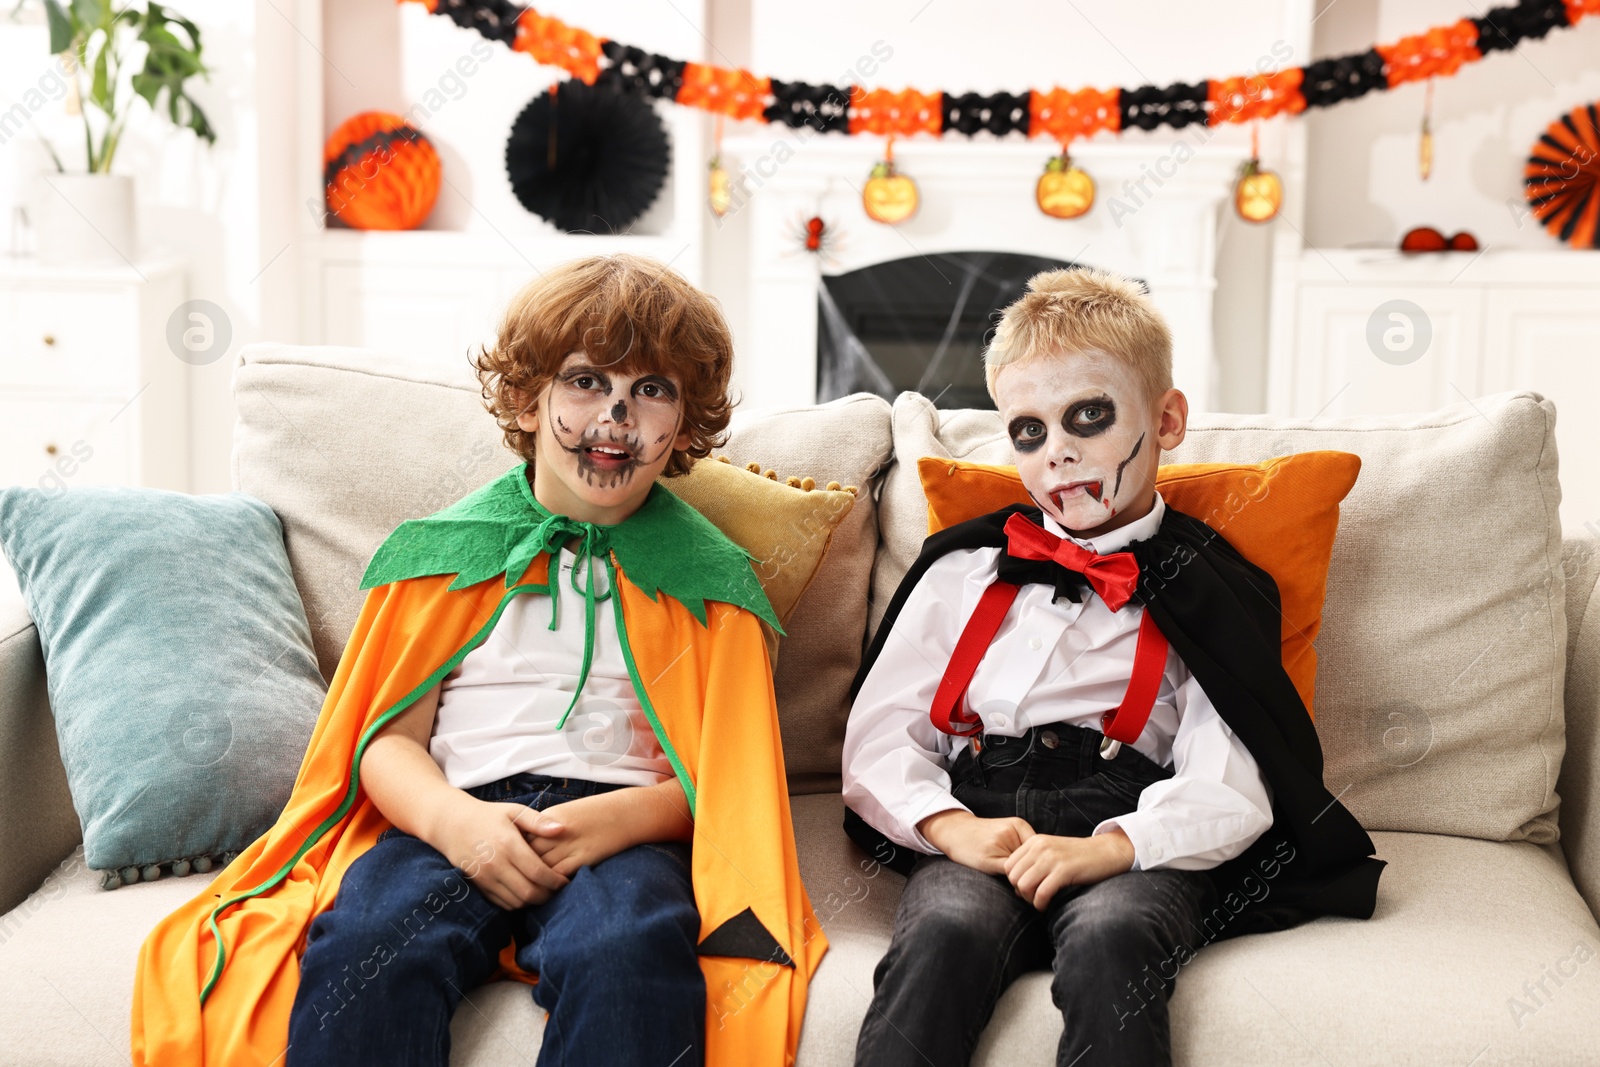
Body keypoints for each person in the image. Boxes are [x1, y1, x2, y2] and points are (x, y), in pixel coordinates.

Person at [132, 254, 825, 1067]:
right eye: (586, 381)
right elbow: (382, 743)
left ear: (683, 426)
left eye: (652, 390)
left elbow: (729, 780)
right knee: (365, 944)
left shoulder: (712, 582)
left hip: (622, 833)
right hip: (452, 815)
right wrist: (456, 824)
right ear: (530, 400)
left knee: (631, 956)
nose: (615, 415)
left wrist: (612, 821)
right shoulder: (443, 553)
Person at [841, 267, 1382, 1067]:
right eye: (1028, 430)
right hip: (982, 816)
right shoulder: (962, 571)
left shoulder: (1212, 587)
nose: (1057, 454)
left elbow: (1233, 773)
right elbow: (880, 737)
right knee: (945, 931)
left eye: (1087, 418)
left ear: (1165, 420)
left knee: (1113, 935)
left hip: (1130, 827)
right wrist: (954, 829)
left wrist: (1114, 847)